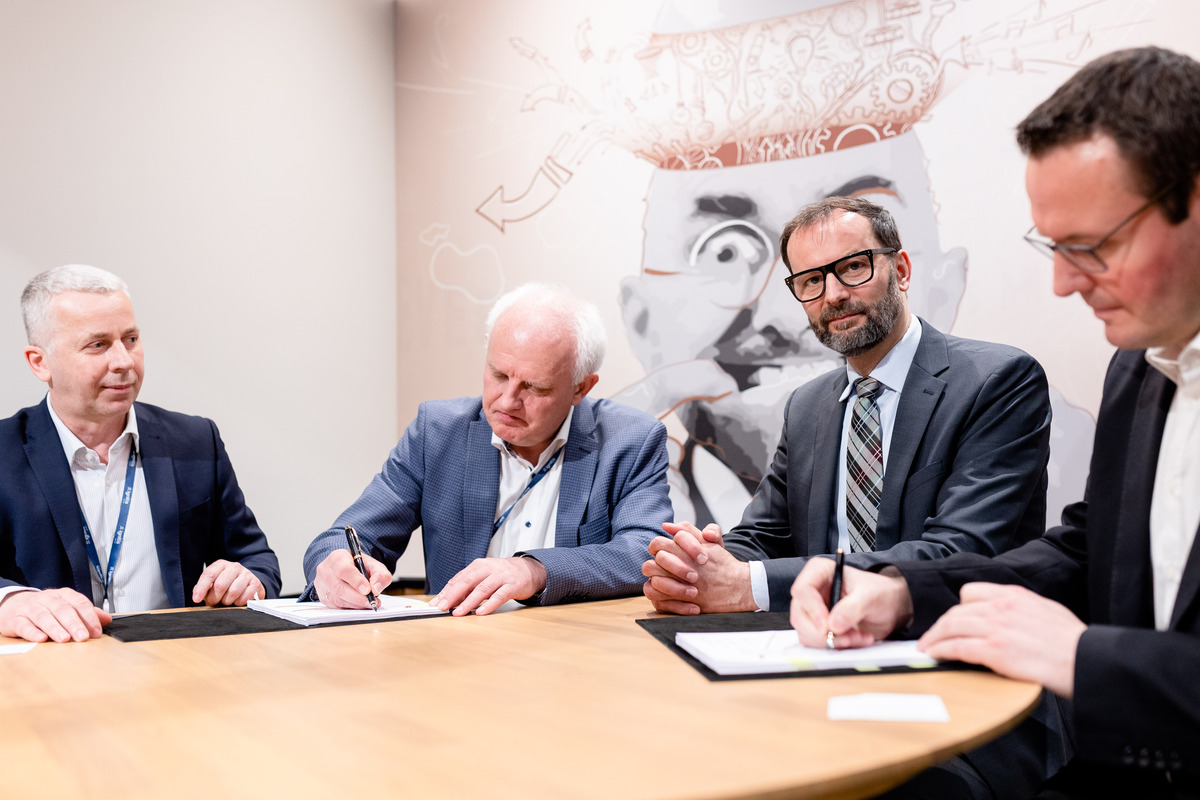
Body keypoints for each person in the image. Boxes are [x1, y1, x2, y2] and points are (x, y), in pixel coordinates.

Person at [790, 46, 1200, 798]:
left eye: (1093, 246)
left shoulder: (1001, 378)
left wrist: (1086, 659)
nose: (1062, 282)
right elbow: (1087, 548)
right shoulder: (1139, 369)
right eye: (1052, 246)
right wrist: (907, 589)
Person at [641, 196, 1052, 616]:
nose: (833, 295)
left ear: (902, 270)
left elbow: (960, 552)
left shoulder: (998, 381)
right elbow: (765, 535)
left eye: (854, 267)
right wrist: (696, 566)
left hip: (952, 641)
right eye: (810, 280)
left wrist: (751, 586)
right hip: (820, 644)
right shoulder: (807, 405)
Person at [303, 283, 672, 616]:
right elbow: (347, 535)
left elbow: (644, 549)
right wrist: (335, 563)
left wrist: (535, 570)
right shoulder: (437, 431)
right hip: (459, 652)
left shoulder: (630, 441)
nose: (507, 400)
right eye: (498, 374)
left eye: (535, 387)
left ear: (581, 388)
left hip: (575, 653)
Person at [0, 265, 281, 643]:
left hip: (178, 669)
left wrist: (249, 580)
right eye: (97, 345)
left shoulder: (196, 440)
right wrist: (10, 601)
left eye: (130, 339)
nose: (124, 362)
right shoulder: (4, 451)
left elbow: (258, 560)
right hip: (55, 674)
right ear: (40, 362)